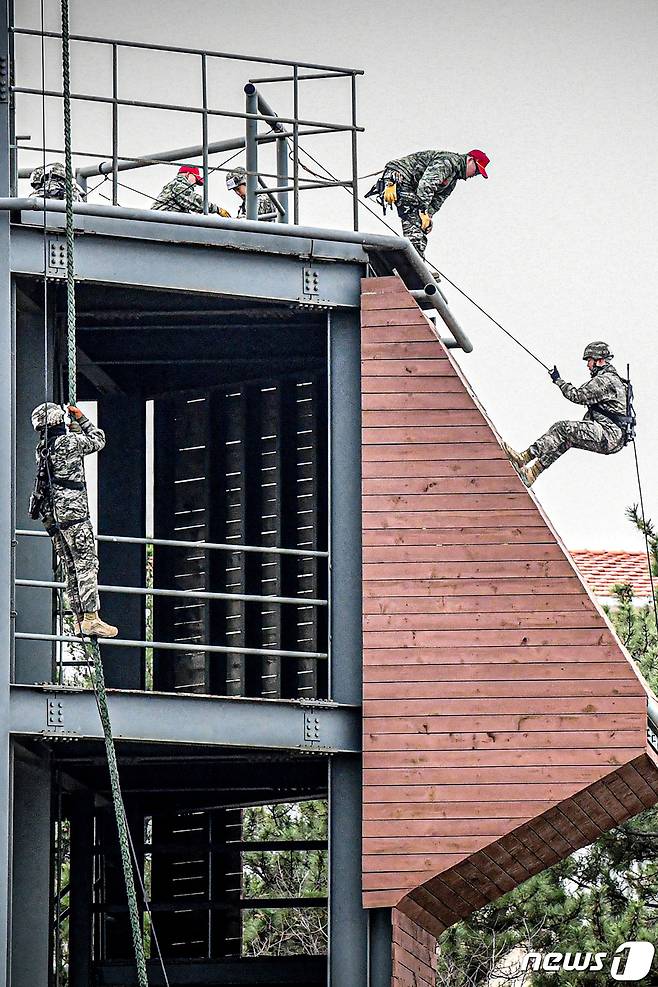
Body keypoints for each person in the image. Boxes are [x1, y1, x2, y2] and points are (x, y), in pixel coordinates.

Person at [30, 402, 118, 638]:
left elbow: (72, 455)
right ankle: (91, 618)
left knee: (71, 565)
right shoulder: (68, 443)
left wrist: (73, 429)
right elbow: (98, 439)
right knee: (86, 563)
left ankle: (79, 617)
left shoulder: (43, 448)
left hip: (54, 516)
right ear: (59, 421)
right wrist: (81, 419)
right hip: (74, 514)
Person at [502, 342, 630, 487]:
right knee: (566, 439)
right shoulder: (614, 380)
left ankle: (524, 457)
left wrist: (558, 380)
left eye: (589, 360)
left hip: (608, 435)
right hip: (613, 438)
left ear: (599, 360)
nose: (588, 365)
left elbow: (577, 395)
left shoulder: (605, 380)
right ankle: (532, 473)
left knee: (562, 428)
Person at [366, 148, 490, 257]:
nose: (475, 174)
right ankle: (413, 264)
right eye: (477, 170)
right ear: (469, 160)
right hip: (398, 176)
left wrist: (428, 217)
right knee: (414, 221)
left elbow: (437, 201)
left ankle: (415, 262)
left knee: (418, 224)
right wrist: (422, 211)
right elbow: (426, 185)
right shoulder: (448, 163)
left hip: (411, 186)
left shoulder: (452, 179)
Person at [152, 165, 230, 215]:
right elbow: (195, 201)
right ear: (188, 174)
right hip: (160, 223)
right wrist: (217, 209)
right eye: (195, 180)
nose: (195, 184)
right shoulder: (178, 186)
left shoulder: (174, 185)